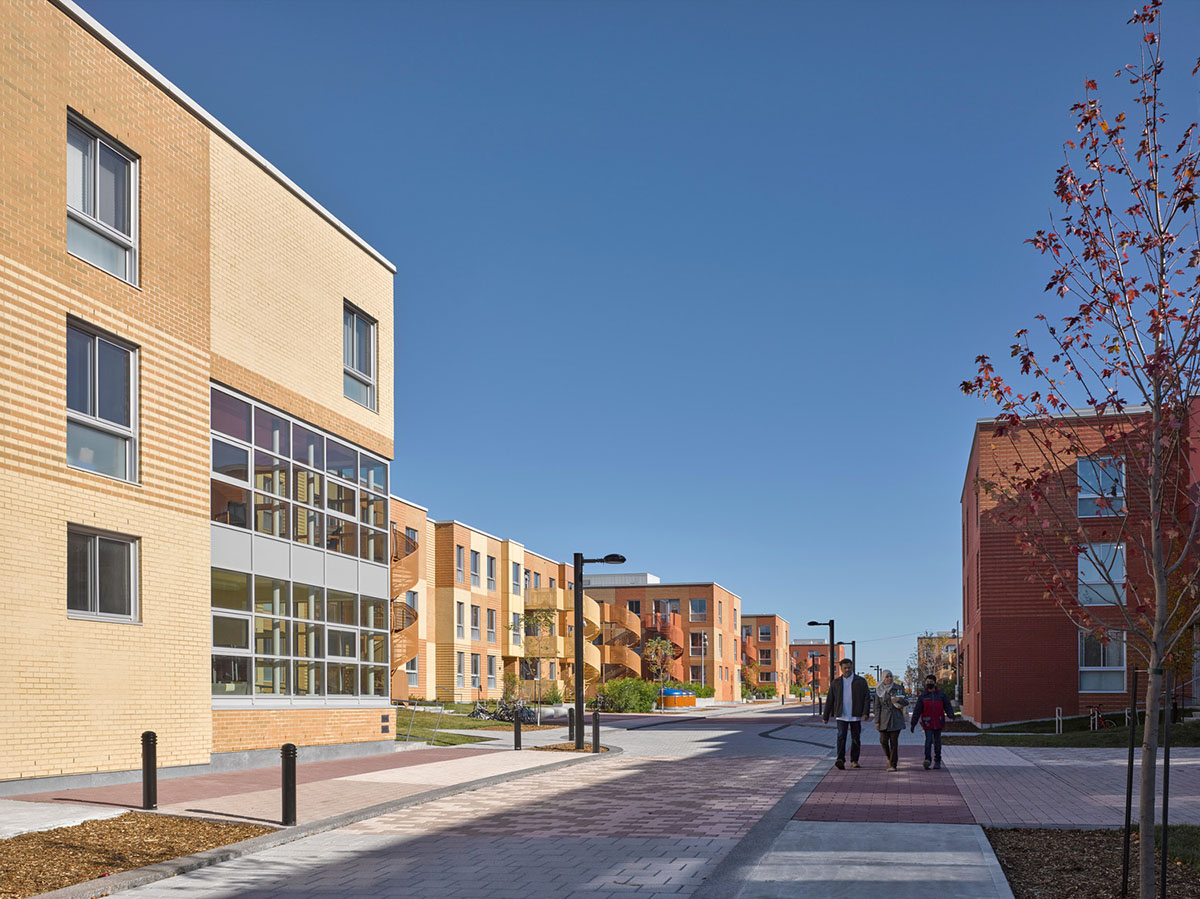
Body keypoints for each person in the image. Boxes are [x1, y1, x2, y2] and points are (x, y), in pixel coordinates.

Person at [822, 657, 870, 769]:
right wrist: (826, 716)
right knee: (841, 737)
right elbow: (830, 699)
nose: (847, 670)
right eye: (845, 668)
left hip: (855, 715)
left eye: (849, 667)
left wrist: (865, 712)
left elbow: (866, 698)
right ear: (841, 668)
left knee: (855, 738)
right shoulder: (836, 682)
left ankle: (854, 760)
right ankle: (840, 759)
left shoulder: (861, 681)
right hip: (841, 715)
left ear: (852, 667)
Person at [910, 674, 955, 769]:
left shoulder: (941, 694)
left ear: (935, 683)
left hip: (938, 722)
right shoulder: (923, 696)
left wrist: (951, 714)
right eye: (927, 682)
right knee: (928, 741)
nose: (929, 684)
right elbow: (917, 711)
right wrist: (913, 723)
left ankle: (937, 760)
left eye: (931, 682)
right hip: (927, 723)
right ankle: (927, 760)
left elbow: (947, 705)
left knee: (937, 742)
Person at [874, 669, 906, 771]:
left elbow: (906, 702)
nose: (889, 679)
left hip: (895, 718)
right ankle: (889, 757)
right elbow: (877, 707)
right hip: (883, 719)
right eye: (887, 677)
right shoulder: (879, 690)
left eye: (891, 676)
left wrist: (898, 699)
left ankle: (893, 764)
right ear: (883, 678)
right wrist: (877, 721)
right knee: (883, 741)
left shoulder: (898, 688)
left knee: (894, 742)